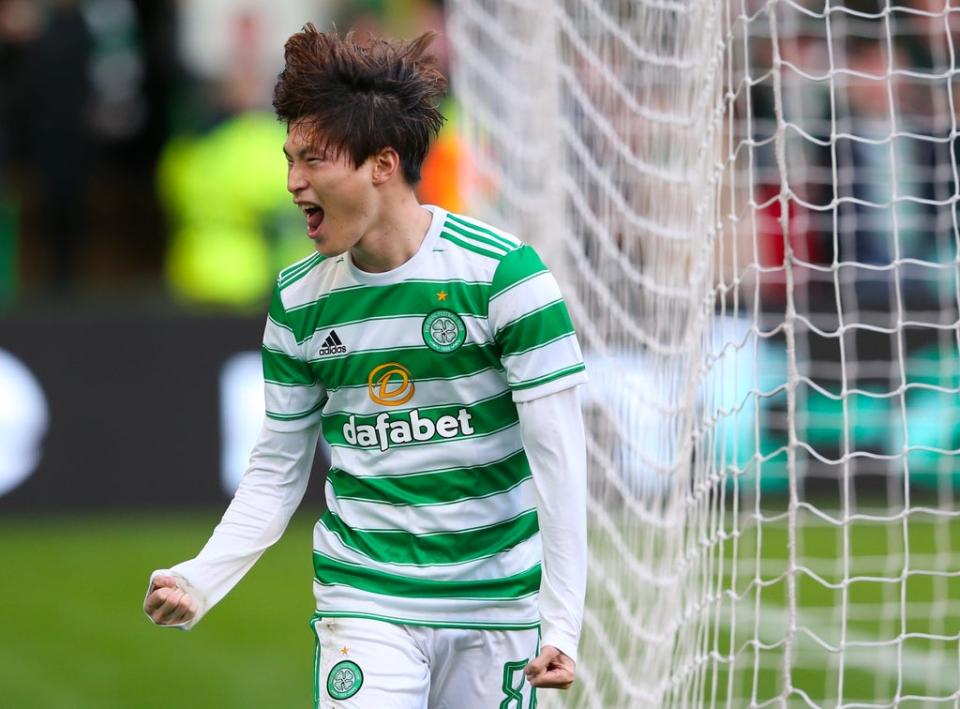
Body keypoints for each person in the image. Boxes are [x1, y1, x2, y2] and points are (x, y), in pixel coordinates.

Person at [143, 25, 588, 708]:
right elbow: (276, 470)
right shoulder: (299, 300)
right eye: (289, 158)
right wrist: (200, 578)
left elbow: (559, 459)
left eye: (313, 160)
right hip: (367, 603)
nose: (293, 182)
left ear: (381, 163)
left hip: (498, 609)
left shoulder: (504, 276)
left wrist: (561, 621)